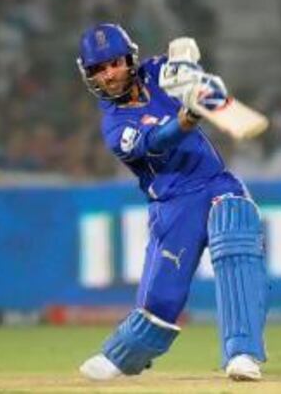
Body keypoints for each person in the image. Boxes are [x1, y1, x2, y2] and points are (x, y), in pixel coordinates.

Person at [75, 24, 268, 381]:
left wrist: (196, 82)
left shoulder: (156, 71)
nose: (109, 74)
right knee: (160, 303)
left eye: (114, 63)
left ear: (129, 59)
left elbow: (192, 76)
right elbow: (157, 141)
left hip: (214, 182)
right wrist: (187, 117)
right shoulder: (114, 126)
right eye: (98, 70)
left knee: (236, 236)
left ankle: (242, 353)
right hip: (173, 204)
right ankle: (123, 355)